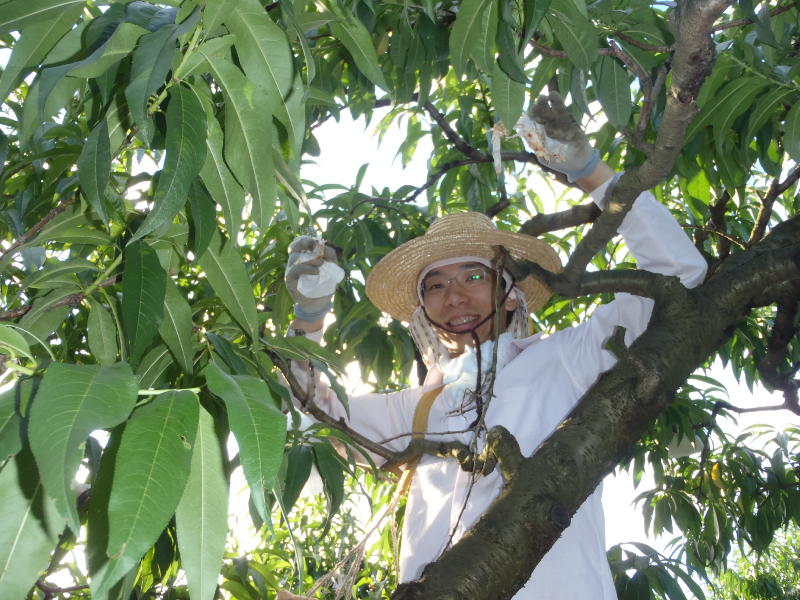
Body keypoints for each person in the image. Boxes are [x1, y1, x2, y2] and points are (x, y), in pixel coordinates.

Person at [283, 93, 707, 598]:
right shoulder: (416, 410)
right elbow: (311, 422)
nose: (454, 296)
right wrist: (309, 318)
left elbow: (678, 279)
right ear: (424, 312)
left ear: (509, 291)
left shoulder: (568, 359)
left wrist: (591, 173)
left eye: (473, 276)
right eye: (435, 286)